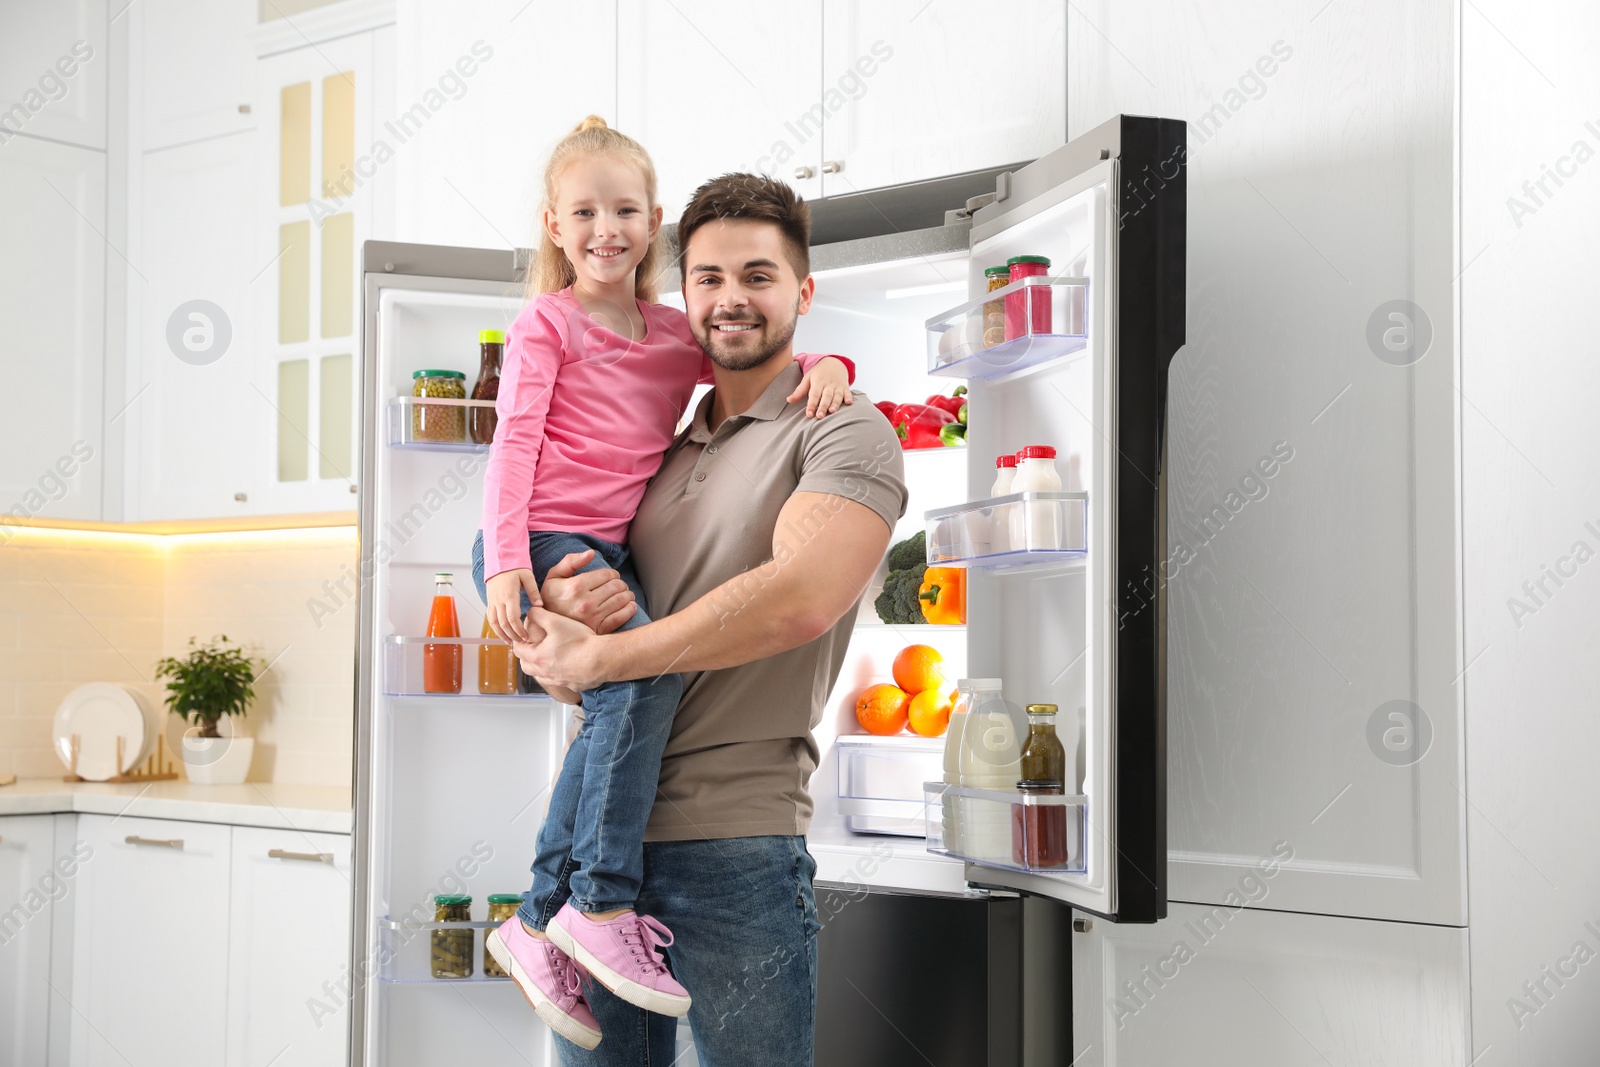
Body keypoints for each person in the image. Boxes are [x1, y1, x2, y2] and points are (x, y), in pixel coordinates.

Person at [473, 117, 856, 1050]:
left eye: (626, 209)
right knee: (635, 679)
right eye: (585, 210)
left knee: (625, 682)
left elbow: (761, 362)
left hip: (729, 831)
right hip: (546, 535)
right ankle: (582, 906)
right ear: (554, 226)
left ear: (651, 227)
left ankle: (541, 917)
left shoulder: (678, 337)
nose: (606, 227)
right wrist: (509, 563)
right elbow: (512, 441)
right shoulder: (546, 325)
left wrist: (833, 365)